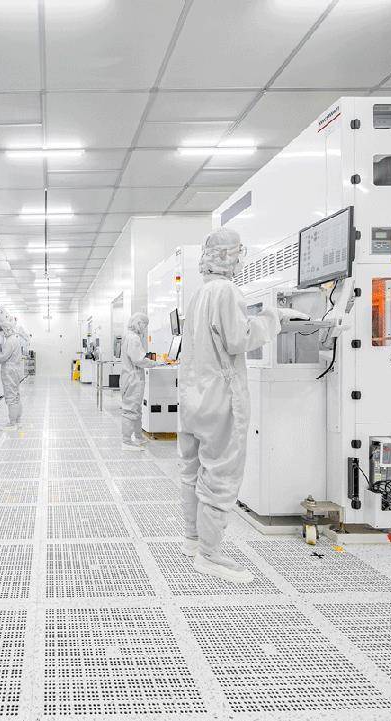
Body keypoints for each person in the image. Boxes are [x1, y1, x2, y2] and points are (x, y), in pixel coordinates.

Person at [178, 228, 306, 583]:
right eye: (238, 253)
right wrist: (274, 318)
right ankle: (210, 555)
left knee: (192, 472)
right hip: (220, 400)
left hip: (192, 399)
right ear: (229, 256)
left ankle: (193, 540)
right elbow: (239, 339)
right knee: (220, 475)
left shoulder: (199, 294)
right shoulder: (227, 291)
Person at [119, 312, 163, 450]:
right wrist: (156, 363)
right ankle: (126, 442)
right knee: (130, 410)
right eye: (145, 325)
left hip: (131, 377)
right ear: (139, 323)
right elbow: (139, 360)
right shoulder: (133, 338)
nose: (145, 328)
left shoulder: (129, 336)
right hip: (133, 379)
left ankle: (138, 437)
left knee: (136, 409)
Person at [0, 319, 25, 431]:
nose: (1, 333)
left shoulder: (9, 341)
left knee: (11, 397)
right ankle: (18, 421)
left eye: (1, 330)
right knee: (16, 396)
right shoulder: (15, 340)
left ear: (6, 330)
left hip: (9, 372)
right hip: (15, 370)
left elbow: (3, 357)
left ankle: (12, 424)